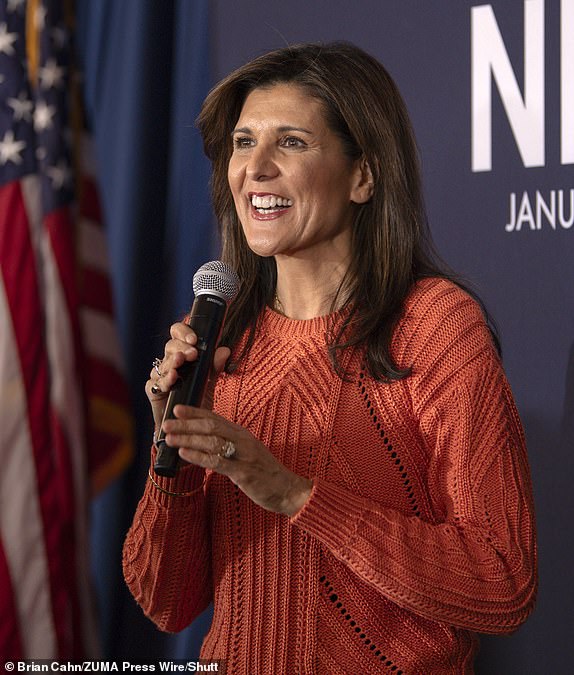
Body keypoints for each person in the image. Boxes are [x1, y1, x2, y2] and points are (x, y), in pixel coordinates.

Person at [123, 42, 537, 674]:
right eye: (242, 143)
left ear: (363, 174)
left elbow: (502, 580)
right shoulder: (220, 339)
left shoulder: (434, 327)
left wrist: (292, 493)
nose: (255, 169)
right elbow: (165, 602)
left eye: (290, 142)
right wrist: (170, 447)